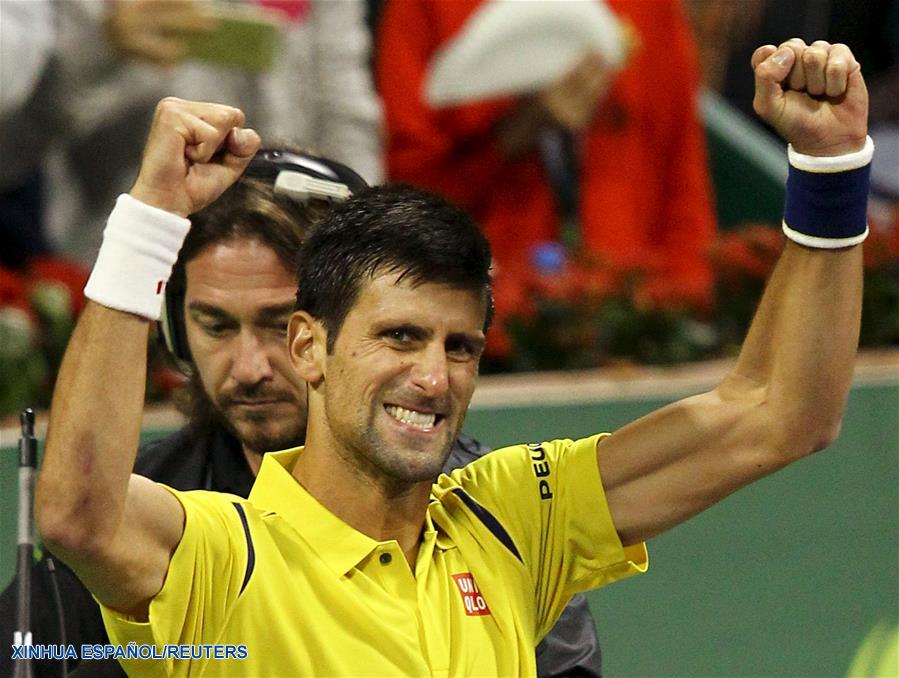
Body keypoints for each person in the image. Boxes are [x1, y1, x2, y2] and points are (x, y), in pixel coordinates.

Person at [34, 38, 870, 676]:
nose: (433, 379)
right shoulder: (225, 548)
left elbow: (779, 414)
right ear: (310, 345)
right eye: (399, 337)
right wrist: (150, 218)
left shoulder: (512, 515)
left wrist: (828, 165)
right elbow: (77, 513)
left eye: (459, 346)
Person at [1, 150, 601, 677]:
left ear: (320, 334)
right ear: (175, 333)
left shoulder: (492, 520)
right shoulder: (126, 509)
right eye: (214, 325)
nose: (251, 367)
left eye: (275, 324)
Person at [377, 0, 718, 316]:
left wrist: (687, 303)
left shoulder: (652, 10)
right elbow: (408, 199)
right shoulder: (426, 8)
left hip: (630, 315)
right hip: (483, 319)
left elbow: (681, 177)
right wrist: (512, 136)